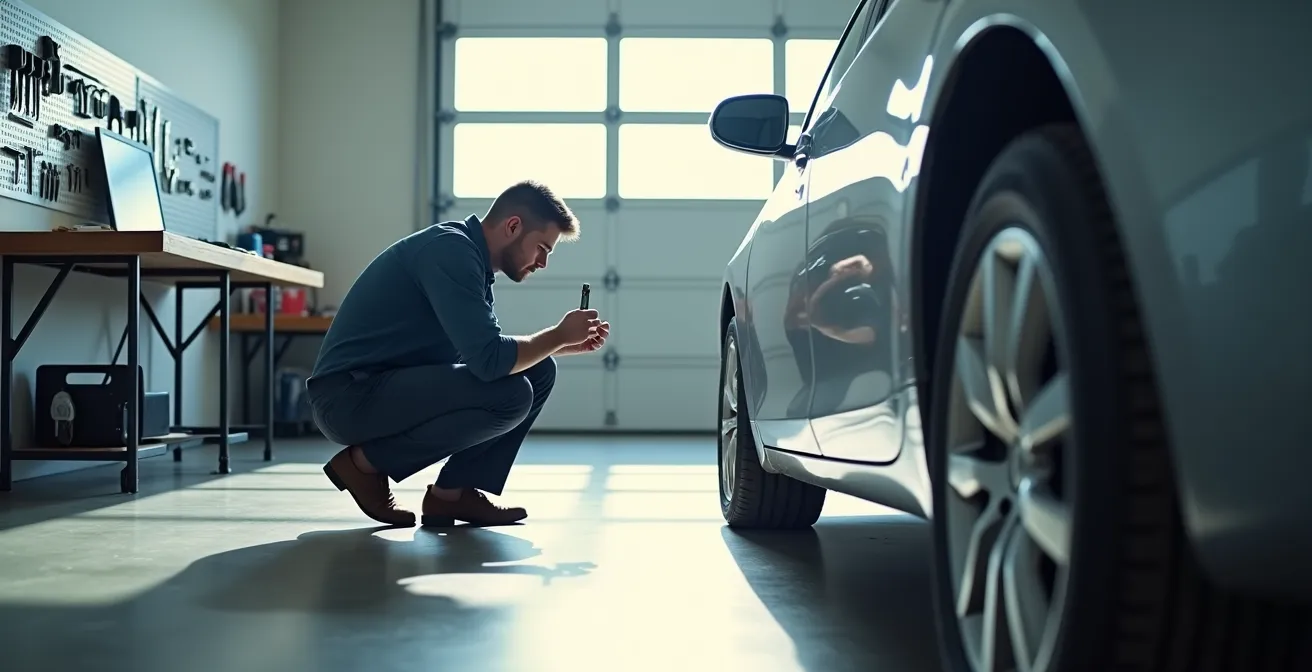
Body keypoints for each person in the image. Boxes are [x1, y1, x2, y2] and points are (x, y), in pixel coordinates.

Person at [305, 180, 610, 528]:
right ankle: (364, 465)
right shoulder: (450, 251)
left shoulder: (471, 262)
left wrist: (559, 345)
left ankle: (452, 493)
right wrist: (555, 335)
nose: (542, 263)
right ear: (513, 226)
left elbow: (479, 357)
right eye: (542, 248)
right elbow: (489, 361)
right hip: (349, 398)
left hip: (384, 387)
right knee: (511, 393)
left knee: (540, 371)